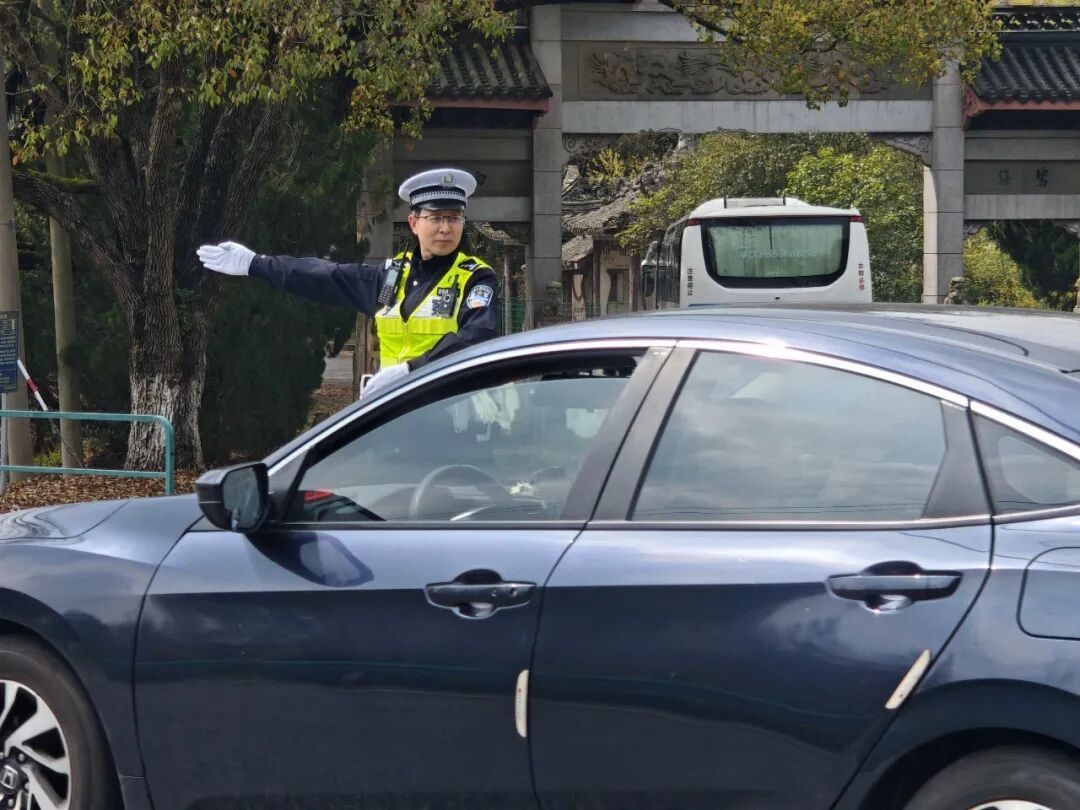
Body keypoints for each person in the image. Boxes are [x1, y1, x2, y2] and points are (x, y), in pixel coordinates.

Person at [196, 168, 500, 398]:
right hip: (398, 415)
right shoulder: (391, 275)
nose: (446, 228)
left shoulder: (476, 278)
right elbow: (325, 276)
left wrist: (412, 370)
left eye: (454, 218)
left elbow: (477, 337)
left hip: (453, 416)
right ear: (413, 223)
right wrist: (255, 263)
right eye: (436, 217)